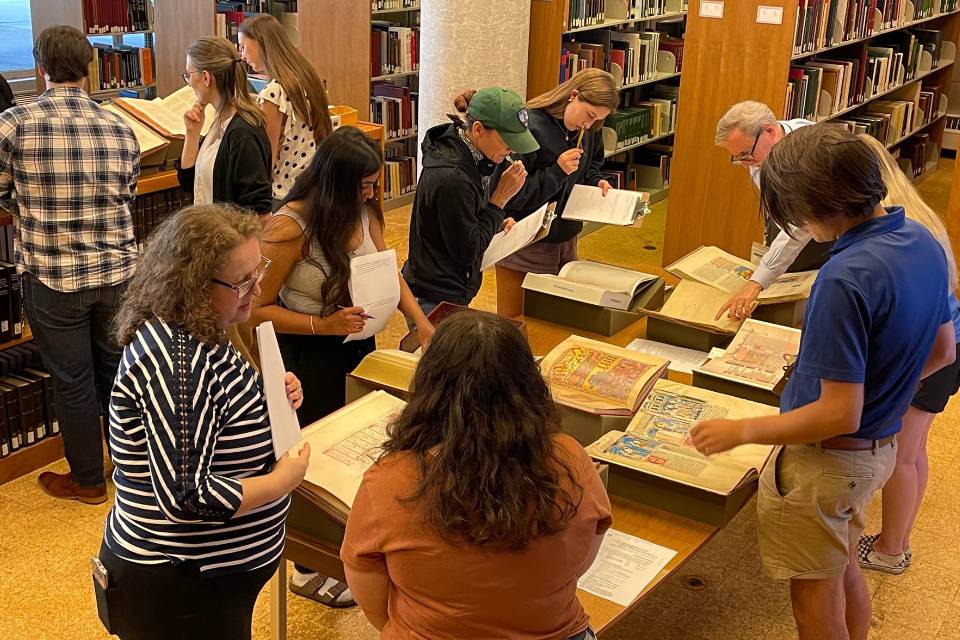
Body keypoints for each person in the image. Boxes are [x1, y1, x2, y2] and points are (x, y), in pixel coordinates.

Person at [689, 124, 957, 640]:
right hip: (876, 449)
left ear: (812, 204)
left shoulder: (843, 277)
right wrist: (883, 393)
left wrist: (740, 431)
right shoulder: (920, 238)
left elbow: (838, 413)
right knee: (842, 564)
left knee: (814, 594)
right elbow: (942, 351)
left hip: (829, 458)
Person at [97, 204, 311, 640]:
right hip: (180, 586)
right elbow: (188, 497)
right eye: (242, 282)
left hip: (210, 580)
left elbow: (221, 410)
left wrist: (272, 394)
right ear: (192, 283)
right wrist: (280, 482)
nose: (257, 288)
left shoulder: (210, 324)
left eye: (258, 271)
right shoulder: (174, 363)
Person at [341, 311, 612, 639]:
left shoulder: (390, 478)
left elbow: (365, 581)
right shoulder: (569, 456)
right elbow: (586, 553)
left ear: (429, 385)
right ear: (529, 382)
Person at [251, 126, 433, 608]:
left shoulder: (362, 208)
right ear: (334, 182)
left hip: (358, 341)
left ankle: (353, 548)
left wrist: (419, 319)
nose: (373, 193)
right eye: (365, 185)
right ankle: (311, 565)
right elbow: (255, 309)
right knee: (319, 454)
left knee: (365, 444)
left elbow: (386, 267)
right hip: (312, 354)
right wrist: (321, 325)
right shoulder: (289, 228)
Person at [0, 25, 140, 504]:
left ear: (40, 68)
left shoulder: (13, 123)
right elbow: (128, 191)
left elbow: (1, 190)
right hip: (117, 274)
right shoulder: (121, 125)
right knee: (118, 372)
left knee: (72, 380)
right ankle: (130, 470)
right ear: (90, 67)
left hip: (53, 276)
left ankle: (87, 480)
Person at [855, 134, 960, 575]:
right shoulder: (915, 213)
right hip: (948, 343)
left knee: (900, 453)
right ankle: (898, 540)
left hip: (927, 354)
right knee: (915, 451)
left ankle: (890, 550)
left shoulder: (889, 229)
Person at [491, 69, 619, 318]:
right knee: (516, 319)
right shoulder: (531, 127)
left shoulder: (591, 129)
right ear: (573, 95)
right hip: (527, 240)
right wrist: (557, 171)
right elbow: (514, 195)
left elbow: (592, 165)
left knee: (555, 319)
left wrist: (597, 182)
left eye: (598, 120)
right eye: (590, 115)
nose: (590, 125)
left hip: (565, 237)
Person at [402, 87, 536, 317]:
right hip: (435, 294)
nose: (512, 149)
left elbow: (467, 217)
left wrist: (495, 222)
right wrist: (499, 201)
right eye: (507, 140)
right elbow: (468, 250)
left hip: (452, 285)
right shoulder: (453, 178)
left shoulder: (481, 155)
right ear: (478, 129)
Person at [713, 100, 830, 321]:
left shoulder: (810, 151)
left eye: (746, 154)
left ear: (768, 130)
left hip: (827, 232)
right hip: (796, 227)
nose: (745, 163)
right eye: (737, 158)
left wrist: (756, 282)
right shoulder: (758, 157)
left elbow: (800, 225)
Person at [238, 14, 333, 206]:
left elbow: (269, 156)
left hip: (283, 193)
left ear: (259, 43)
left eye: (243, 46)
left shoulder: (273, 93)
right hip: (312, 184)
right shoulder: (305, 74)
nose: (242, 55)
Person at [177, 36, 272, 218]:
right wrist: (192, 134)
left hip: (233, 243)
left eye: (189, 75)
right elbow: (189, 183)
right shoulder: (220, 120)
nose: (189, 83)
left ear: (206, 77)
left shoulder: (243, 133)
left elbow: (259, 210)